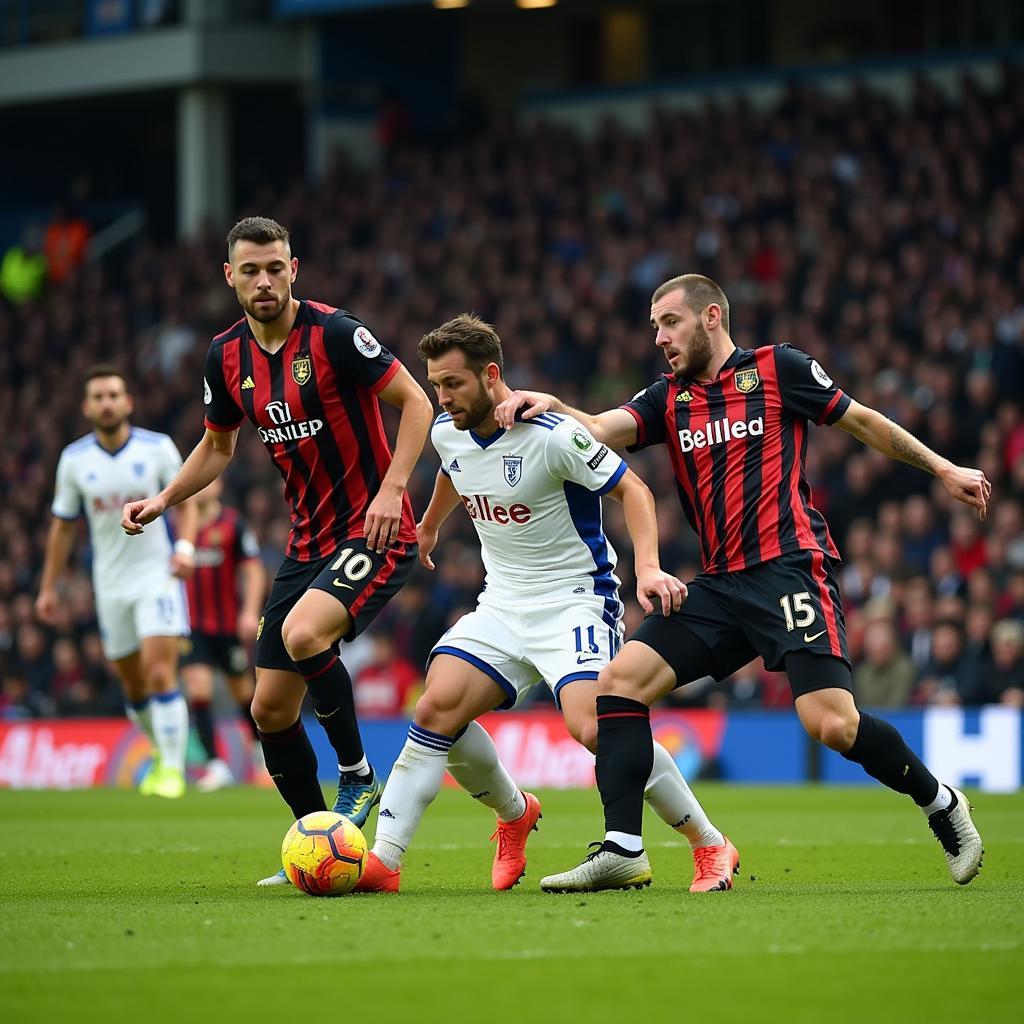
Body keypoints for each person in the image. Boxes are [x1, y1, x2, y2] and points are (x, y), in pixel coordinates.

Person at [496, 273, 989, 891]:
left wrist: (943, 468)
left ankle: (941, 802)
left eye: (669, 322)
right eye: (653, 326)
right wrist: (552, 405)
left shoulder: (778, 369)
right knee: (618, 685)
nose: (659, 338)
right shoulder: (667, 399)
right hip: (720, 587)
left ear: (710, 317)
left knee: (832, 724)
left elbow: (861, 421)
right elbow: (598, 428)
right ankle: (623, 847)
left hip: (788, 571)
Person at [355, 314, 733, 895]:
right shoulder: (447, 430)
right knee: (436, 710)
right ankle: (409, 850)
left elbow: (634, 489)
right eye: (434, 385)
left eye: (453, 383)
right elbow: (458, 472)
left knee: (596, 728)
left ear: (492, 375)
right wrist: (429, 526)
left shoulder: (551, 433)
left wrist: (649, 566)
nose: (442, 397)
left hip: (575, 602)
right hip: (503, 602)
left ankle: (710, 843)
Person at [120, 216, 433, 884]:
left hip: (375, 527)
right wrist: (164, 501)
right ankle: (317, 846)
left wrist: (394, 489)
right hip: (308, 540)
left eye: (275, 267)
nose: (264, 281)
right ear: (229, 277)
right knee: (268, 709)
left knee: (302, 631)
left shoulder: (337, 334)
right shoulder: (224, 356)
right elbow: (218, 445)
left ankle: (357, 773)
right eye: (250, 270)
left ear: (294, 269)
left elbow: (416, 403)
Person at [37, 365, 197, 798]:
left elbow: (188, 501)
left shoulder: (158, 448)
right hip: (110, 584)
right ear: (87, 407)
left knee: (161, 670)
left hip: (157, 575)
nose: (107, 403)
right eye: (98, 396)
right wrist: (48, 588)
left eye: (113, 395)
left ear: (128, 402)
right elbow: (64, 526)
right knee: (133, 683)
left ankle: (172, 771)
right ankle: (161, 753)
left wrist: (184, 548)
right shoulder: (74, 460)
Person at [181, 478, 268, 792]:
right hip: (191, 627)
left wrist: (249, 611)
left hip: (227, 626)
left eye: (208, 482)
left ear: (218, 486)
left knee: (244, 694)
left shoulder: (233, 525)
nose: (201, 487)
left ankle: (262, 754)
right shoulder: (180, 526)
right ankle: (215, 765)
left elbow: (254, 569)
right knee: (198, 690)